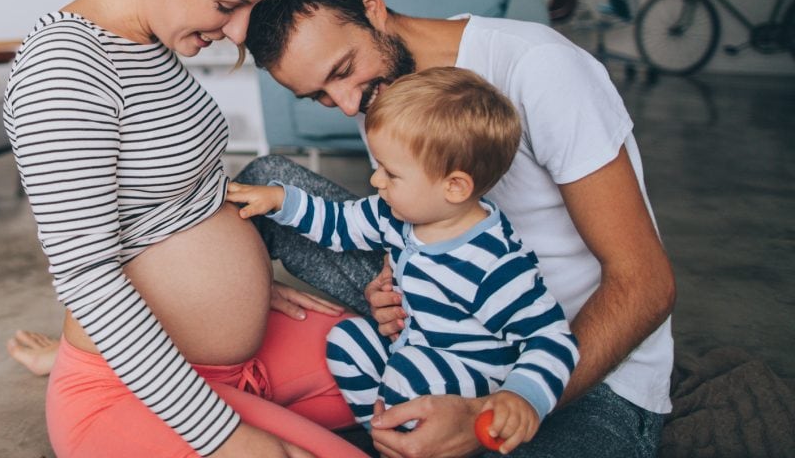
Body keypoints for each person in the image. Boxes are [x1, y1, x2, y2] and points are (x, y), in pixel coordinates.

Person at [238, 0, 675, 458]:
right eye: (320, 96)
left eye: (341, 70)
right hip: (445, 327)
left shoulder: (538, 68)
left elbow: (646, 282)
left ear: (372, 7)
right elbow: (412, 215)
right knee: (263, 183)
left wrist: (493, 412)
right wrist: (389, 275)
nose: (347, 105)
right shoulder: (376, 89)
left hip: (578, 367)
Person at [2, 0, 368, 458]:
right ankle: (74, 378)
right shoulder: (65, 70)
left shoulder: (147, 39)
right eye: (228, 4)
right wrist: (227, 438)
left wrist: (240, 289)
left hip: (230, 353)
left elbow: (172, 202)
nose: (239, 31)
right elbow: (87, 277)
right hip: (131, 387)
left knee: (408, 377)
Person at [227, 67, 580, 455]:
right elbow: (339, 223)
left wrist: (522, 396)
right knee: (346, 341)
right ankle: (386, 436)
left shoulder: (492, 264)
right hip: (413, 345)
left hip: (470, 376)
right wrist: (280, 201)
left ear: (455, 186)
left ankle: (404, 433)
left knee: (409, 374)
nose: (376, 181)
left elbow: (551, 338)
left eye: (390, 173)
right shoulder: (396, 214)